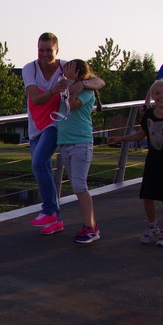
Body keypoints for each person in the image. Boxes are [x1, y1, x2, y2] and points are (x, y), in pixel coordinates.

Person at [22, 34, 105, 235]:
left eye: (49, 50)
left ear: (57, 51)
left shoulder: (66, 67)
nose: (44, 54)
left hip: (55, 123)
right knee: (44, 167)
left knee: (38, 162)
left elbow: (98, 81)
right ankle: (56, 219)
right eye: (41, 50)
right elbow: (36, 98)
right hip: (36, 125)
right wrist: (55, 90)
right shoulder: (30, 68)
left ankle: (49, 210)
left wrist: (82, 84)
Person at [109, 79, 163, 246]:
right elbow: (141, 134)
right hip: (153, 158)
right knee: (147, 194)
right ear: (152, 96)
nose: (161, 96)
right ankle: (152, 226)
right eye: (157, 93)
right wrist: (121, 138)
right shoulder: (149, 114)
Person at [55, 59, 105, 244]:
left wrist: (69, 85)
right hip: (65, 142)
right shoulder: (69, 86)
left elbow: (71, 104)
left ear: (78, 72)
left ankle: (90, 227)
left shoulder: (86, 91)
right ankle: (91, 225)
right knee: (76, 185)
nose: (64, 72)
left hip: (80, 143)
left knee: (79, 185)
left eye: (69, 69)